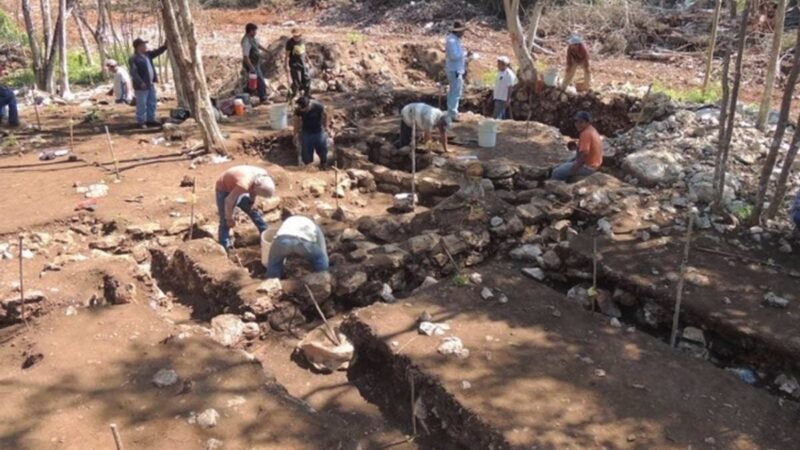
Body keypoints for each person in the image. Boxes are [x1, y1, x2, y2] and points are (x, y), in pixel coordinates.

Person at [215, 165, 276, 251]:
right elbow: (228, 201)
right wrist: (229, 218)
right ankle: (225, 248)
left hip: (238, 185)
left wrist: (251, 202)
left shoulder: (263, 176)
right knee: (225, 222)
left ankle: (265, 233)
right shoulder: (244, 185)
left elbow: (254, 191)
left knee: (253, 210)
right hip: (224, 188)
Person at [551, 111, 603, 182]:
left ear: (587, 123)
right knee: (563, 164)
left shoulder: (586, 134)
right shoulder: (591, 130)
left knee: (556, 173)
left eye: (581, 122)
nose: (577, 125)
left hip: (588, 167)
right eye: (576, 122)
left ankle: (556, 187)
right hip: (594, 164)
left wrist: (575, 168)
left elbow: (584, 154)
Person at [129, 38, 167, 129]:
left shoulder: (147, 55)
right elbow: (133, 72)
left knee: (152, 102)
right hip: (141, 86)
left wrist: (164, 46)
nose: (145, 46)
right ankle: (141, 121)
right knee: (142, 103)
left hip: (150, 83)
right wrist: (140, 82)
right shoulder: (134, 58)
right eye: (143, 45)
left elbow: (156, 52)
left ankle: (151, 119)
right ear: (138, 47)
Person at [293, 96, 332, 168]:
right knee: (306, 153)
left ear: (309, 105)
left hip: (319, 131)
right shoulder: (298, 109)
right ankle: (308, 168)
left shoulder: (318, 106)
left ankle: (324, 164)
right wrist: (295, 134)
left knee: (322, 149)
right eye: (302, 110)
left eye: (305, 109)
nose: (303, 111)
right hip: (306, 132)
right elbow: (296, 121)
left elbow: (325, 115)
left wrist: (327, 127)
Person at [445, 20, 467, 121]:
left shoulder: (456, 40)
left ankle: (453, 111)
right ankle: (452, 113)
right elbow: (453, 56)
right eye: (462, 31)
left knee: (456, 91)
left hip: (457, 69)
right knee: (454, 92)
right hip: (454, 70)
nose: (463, 33)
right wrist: (464, 55)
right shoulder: (451, 41)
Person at [241, 23, 269, 103]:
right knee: (260, 81)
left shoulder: (252, 39)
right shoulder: (246, 41)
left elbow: (258, 45)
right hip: (252, 64)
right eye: (255, 31)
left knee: (253, 81)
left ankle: (248, 95)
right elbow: (246, 57)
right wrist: (251, 67)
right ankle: (263, 98)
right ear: (250, 31)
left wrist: (267, 51)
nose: (256, 33)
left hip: (256, 63)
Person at [285, 28, 312, 100]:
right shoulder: (290, 42)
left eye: (297, 36)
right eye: (294, 36)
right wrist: (286, 65)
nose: (296, 38)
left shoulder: (302, 41)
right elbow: (287, 55)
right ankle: (294, 95)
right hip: (295, 65)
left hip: (303, 63)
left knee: (307, 79)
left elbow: (304, 52)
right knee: (297, 81)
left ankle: (307, 94)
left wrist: (308, 60)